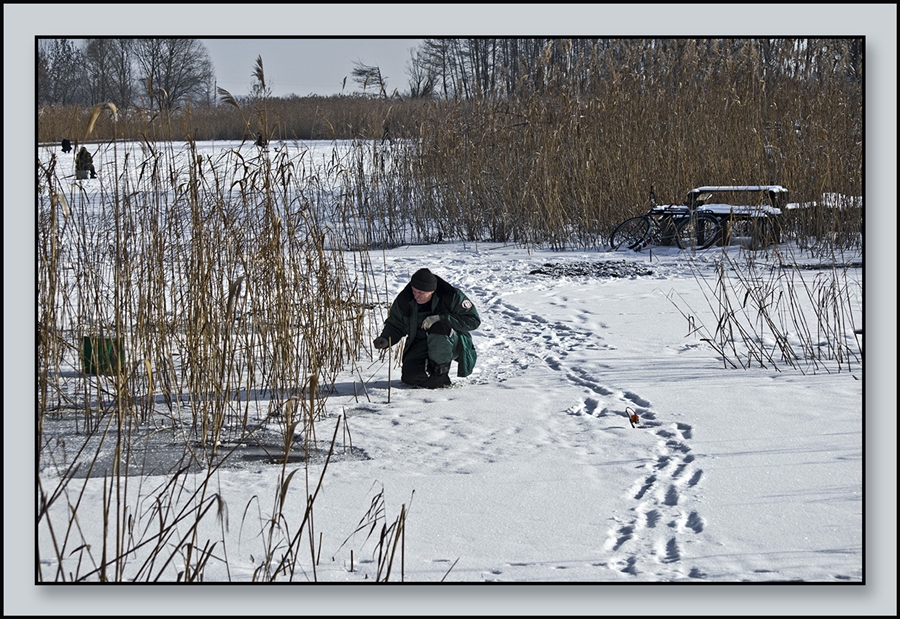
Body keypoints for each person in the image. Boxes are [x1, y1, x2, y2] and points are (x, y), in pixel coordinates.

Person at [373, 268, 480, 389]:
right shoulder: (405, 299)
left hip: (451, 341)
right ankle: (429, 372)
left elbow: (473, 320)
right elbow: (396, 324)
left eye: (420, 293)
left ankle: (440, 375)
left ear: (432, 291)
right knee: (410, 378)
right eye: (414, 291)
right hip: (420, 342)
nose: (416, 296)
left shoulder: (450, 295)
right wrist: (385, 339)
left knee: (439, 327)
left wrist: (441, 318)